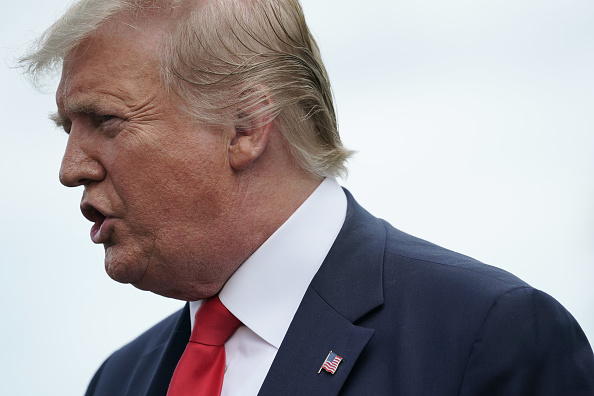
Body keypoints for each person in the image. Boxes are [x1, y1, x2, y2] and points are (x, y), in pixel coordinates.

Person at [20, 0, 594, 395]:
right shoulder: (120, 380)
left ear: (245, 124)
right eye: (65, 128)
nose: (71, 170)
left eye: (105, 120)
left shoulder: (487, 337)